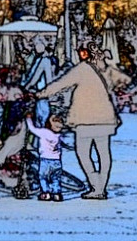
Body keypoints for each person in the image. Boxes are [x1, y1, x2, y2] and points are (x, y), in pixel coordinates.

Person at [40, 42, 130, 199]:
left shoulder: (82, 69)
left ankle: (95, 185)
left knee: (83, 153)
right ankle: (101, 187)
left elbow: (62, 83)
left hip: (85, 120)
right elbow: (126, 80)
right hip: (105, 118)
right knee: (104, 154)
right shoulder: (107, 69)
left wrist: (42, 93)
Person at [27, 111, 70, 201]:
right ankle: (57, 194)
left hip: (45, 160)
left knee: (43, 177)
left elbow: (32, 129)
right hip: (57, 161)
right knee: (56, 178)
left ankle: (46, 193)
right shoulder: (59, 136)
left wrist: (29, 119)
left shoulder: (44, 132)